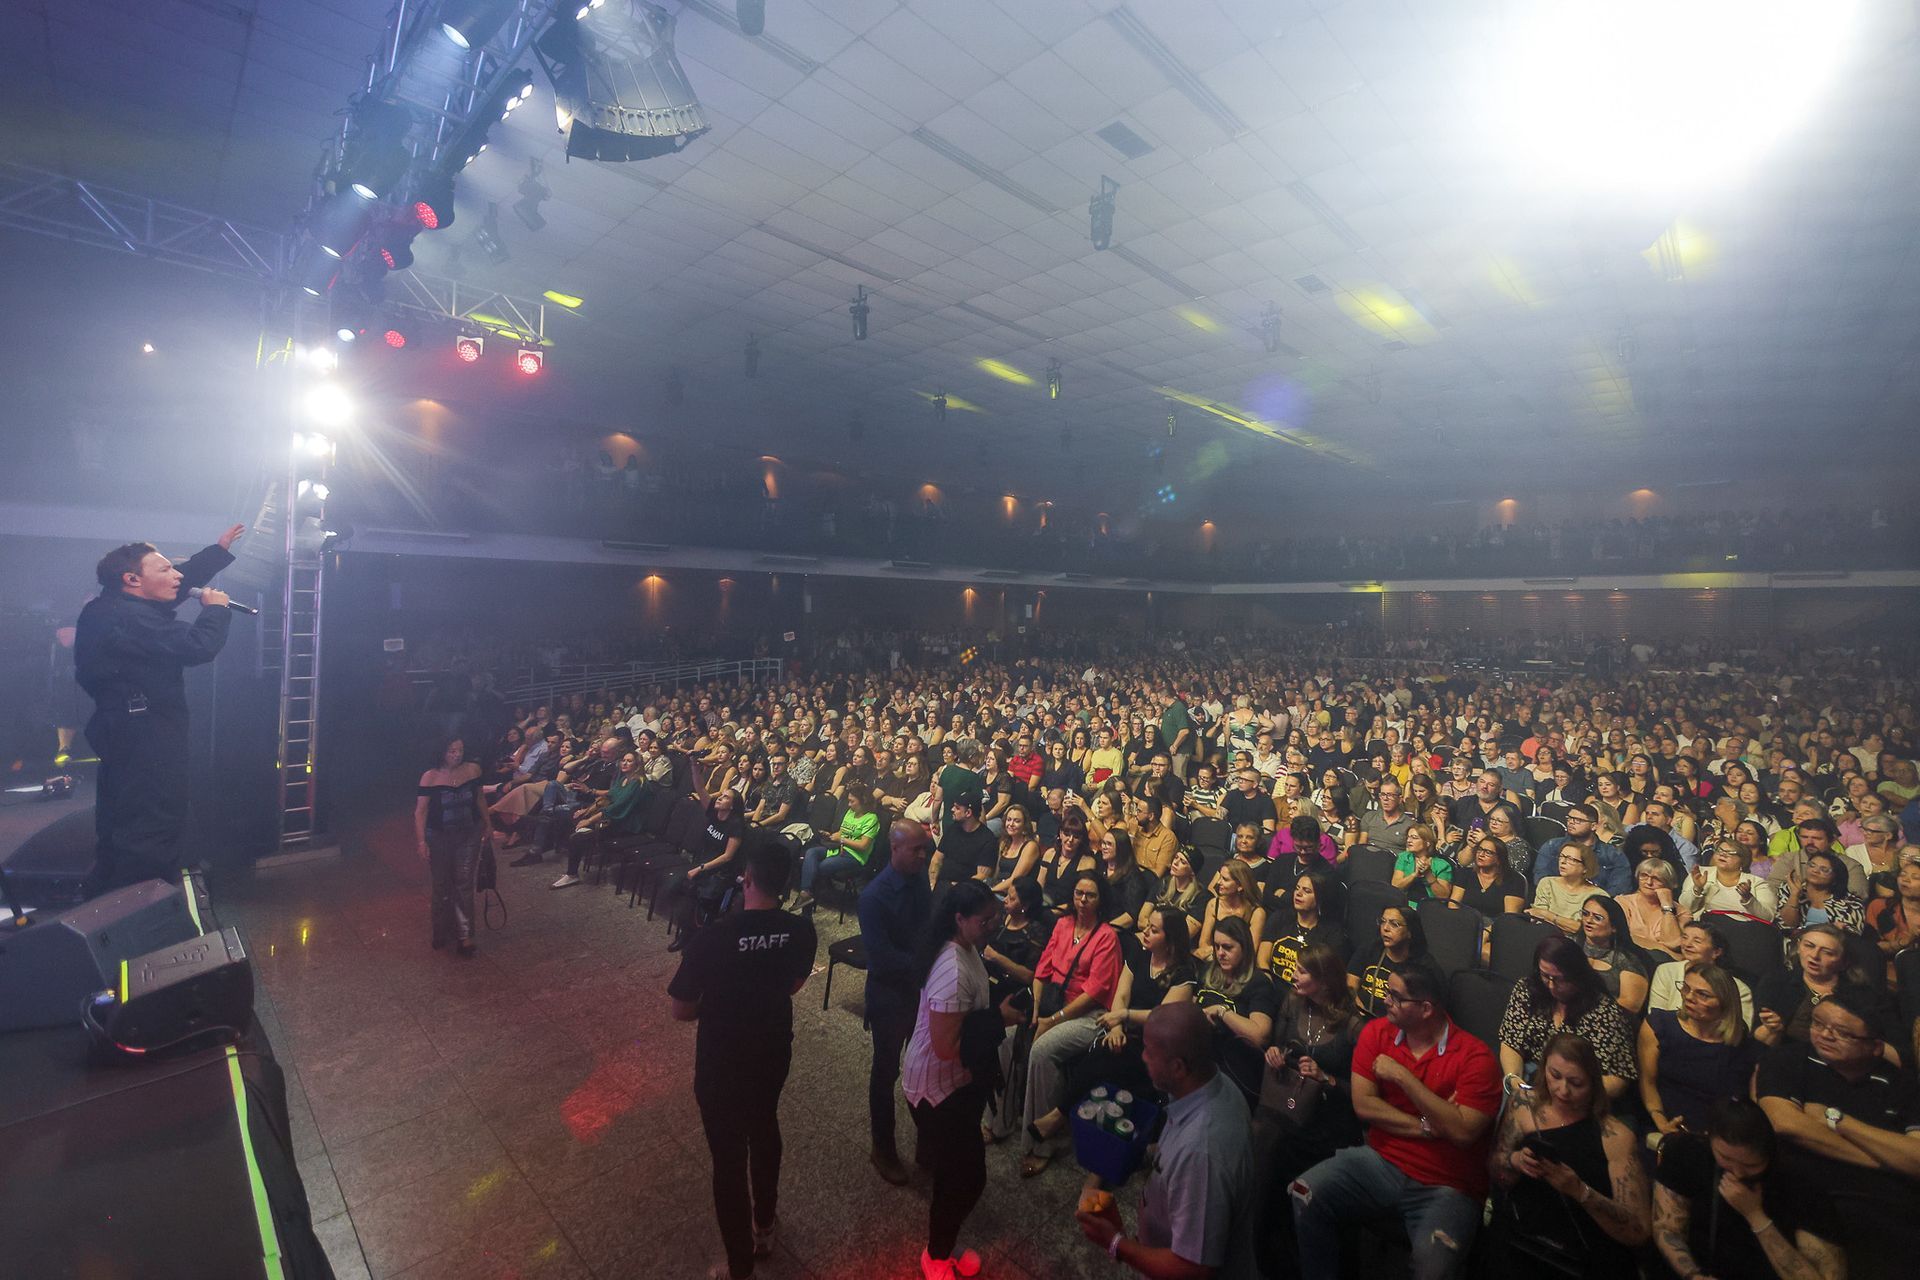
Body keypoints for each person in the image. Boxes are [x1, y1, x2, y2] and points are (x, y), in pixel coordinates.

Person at [1288, 965, 1503, 1280]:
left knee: (1435, 1269)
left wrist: (1403, 1077)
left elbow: (1464, 1132)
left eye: (1395, 996)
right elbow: (1365, 1105)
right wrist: (1433, 1123)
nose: (1384, 999)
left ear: (1426, 1008)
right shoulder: (1377, 1032)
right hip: (1381, 1161)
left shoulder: (1476, 1058)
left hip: (1448, 1185)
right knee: (1302, 1191)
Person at [667, 838, 817, 1280]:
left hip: (721, 1056)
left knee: (728, 1159)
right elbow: (793, 984)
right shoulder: (801, 931)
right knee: (765, 1125)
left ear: (746, 879)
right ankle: (764, 1225)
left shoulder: (713, 937)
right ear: (787, 881)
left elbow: (681, 1008)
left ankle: (740, 1266)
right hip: (772, 1047)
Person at [74, 527, 244, 893]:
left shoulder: (114, 607)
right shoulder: (130, 619)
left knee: (122, 823)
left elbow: (173, 590)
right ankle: (143, 920)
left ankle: (108, 908)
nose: (178, 576)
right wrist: (216, 611)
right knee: (150, 826)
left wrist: (216, 553)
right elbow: (197, 646)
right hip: (145, 734)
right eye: (166, 569)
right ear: (132, 579)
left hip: (127, 726)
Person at [1075, 1002, 1259, 1278]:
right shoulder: (1217, 1085)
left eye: (1150, 1051)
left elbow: (1192, 1268)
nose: (1144, 1058)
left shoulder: (1202, 1152)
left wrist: (1114, 1242)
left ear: (1177, 1067)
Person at [1756, 982, 1920, 1279]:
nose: (1825, 1034)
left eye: (1842, 1032)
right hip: (1808, 1196)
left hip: (1890, 1208)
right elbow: (1785, 1123)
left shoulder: (1901, 1083)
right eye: (1819, 1023)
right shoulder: (1788, 1060)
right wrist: (1886, 1158)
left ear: (1875, 1047)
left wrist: (1838, 1121)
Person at [902, 879, 1012, 1280]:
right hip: (936, 1085)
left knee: (960, 1174)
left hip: (956, 1082)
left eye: (993, 918)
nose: (992, 926)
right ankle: (935, 1255)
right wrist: (1001, 1018)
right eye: (985, 921)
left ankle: (943, 1244)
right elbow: (948, 1046)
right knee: (962, 1178)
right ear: (959, 919)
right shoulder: (950, 968)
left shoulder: (965, 947)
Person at [1483, 1033, 1649, 1277]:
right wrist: (1515, 1161)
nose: (1563, 1090)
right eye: (1555, 1076)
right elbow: (1496, 1170)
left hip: (1584, 1251)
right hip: (1525, 1239)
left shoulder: (1615, 1136)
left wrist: (1580, 1191)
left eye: (1576, 1083)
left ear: (1593, 1083)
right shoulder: (1523, 1105)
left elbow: (1638, 1230)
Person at [1252, 943, 1364, 1280]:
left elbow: (1361, 1094)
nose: (1293, 975)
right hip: (1290, 1104)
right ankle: (1264, 1250)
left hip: (1329, 1120)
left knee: (1276, 1153)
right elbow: (1281, 1047)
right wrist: (1274, 1053)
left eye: (1302, 972)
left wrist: (1326, 1078)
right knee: (1264, 1150)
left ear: (1326, 982)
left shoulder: (1353, 1026)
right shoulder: (1292, 1002)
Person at [1652, 1099, 1846, 1280]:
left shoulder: (1799, 1183)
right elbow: (1667, 1229)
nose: (1738, 1173)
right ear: (1710, 1138)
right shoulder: (1688, 1153)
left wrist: (1756, 1216)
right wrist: (1693, 1275)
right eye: (1725, 1158)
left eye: (1751, 1165)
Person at [1019, 873, 1124, 1177]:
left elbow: (1096, 992)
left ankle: (1042, 1143)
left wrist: (1052, 1021)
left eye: (1090, 895)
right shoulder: (1063, 924)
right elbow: (1043, 969)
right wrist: (1037, 1010)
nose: (1082, 901)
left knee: (1041, 1050)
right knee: (1008, 1036)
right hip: (1051, 1004)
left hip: (1088, 1015)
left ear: (1100, 899)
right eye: (1078, 893)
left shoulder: (1107, 936)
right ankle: (999, 1120)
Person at [858, 819, 935, 1185]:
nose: (924, 854)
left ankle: (927, 1145)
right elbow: (881, 957)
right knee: (885, 1071)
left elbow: (928, 924)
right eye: (916, 849)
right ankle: (882, 1148)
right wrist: (925, 961)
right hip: (890, 994)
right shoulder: (873, 896)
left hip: (920, 988)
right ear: (896, 849)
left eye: (924, 848)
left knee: (922, 1066)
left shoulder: (919, 878)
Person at [1498, 936, 1637, 1099]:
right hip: (1533, 1075)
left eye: (1559, 979)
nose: (1550, 985)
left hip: (1580, 1090)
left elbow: (1618, 1077)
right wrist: (1514, 1078)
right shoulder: (1527, 990)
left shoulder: (1605, 1011)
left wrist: (1573, 1094)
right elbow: (1511, 1042)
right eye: (1545, 976)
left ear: (1576, 975)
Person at [1638, 962, 1764, 1137]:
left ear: (1725, 1003)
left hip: (1723, 1133)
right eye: (1685, 988)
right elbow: (1647, 1081)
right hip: (1666, 1125)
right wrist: (1660, 1121)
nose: (1689, 997)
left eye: (1702, 995)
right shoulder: (1659, 1025)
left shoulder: (1743, 1047)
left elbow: (1749, 1104)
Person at [414, 735, 492, 956]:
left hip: (469, 833)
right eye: (452, 751)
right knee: (441, 884)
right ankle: (441, 929)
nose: (456, 755)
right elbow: (421, 811)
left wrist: (488, 824)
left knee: (464, 881)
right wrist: (421, 841)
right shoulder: (430, 777)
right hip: (438, 835)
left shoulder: (473, 770)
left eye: (460, 750)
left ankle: (465, 935)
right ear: (442, 752)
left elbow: (479, 799)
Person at [1195, 915, 1279, 1106]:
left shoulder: (1258, 983)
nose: (1220, 953)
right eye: (1216, 946)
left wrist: (1222, 1012)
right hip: (1201, 1060)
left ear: (1244, 947)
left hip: (1235, 1071)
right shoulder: (1208, 971)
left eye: (1227, 947)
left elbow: (1259, 1035)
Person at [1648, 920, 1756, 1024]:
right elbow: (1655, 1016)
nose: (1687, 944)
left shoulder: (1738, 989)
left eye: (1697, 941)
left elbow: (1739, 1030)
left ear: (1716, 952)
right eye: (1684, 938)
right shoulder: (1666, 971)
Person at [791, 787, 879, 912]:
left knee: (819, 866)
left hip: (855, 856)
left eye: (852, 801)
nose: (849, 805)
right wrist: (832, 835)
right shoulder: (850, 813)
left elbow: (863, 845)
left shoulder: (871, 819)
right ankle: (805, 893)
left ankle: (807, 907)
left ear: (863, 801)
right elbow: (842, 832)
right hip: (839, 849)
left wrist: (841, 840)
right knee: (812, 852)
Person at [1260, 866, 1351, 984]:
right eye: (1297, 888)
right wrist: (1266, 978)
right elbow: (1262, 958)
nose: (1298, 893)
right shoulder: (1280, 918)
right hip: (1271, 985)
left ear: (1319, 899)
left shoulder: (1332, 933)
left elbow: (1327, 975)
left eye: (1307, 891)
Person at [1348, 904, 1433, 1018]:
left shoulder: (1424, 966)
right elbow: (1350, 985)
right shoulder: (1370, 949)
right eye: (1383, 921)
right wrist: (1359, 1012)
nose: (1385, 928)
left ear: (1410, 931)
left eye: (1394, 924)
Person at [1574, 895, 1650, 1014]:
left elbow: (1630, 1007)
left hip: (1607, 1021)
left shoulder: (1627, 961)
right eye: (1585, 913)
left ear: (1614, 927)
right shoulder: (1569, 947)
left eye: (1597, 918)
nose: (1588, 920)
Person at [1528, 843, 1607, 935]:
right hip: (1545, 938)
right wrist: (1568, 924)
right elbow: (1538, 919)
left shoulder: (1598, 896)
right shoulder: (1547, 883)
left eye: (1570, 859)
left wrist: (1548, 915)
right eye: (1561, 856)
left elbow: (1585, 929)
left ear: (1585, 868)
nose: (1562, 861)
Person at [1618, 858, 1689, 958]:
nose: (1649, 882)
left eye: (1657, 878)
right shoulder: (1623, 903)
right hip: (1629, 957)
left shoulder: (1682, 912)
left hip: (1663, 963)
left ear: (1668, 883)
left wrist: (1667, 906)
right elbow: (1624, 938)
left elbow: (1673, 943)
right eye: (1644, 876)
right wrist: (1663, 950)